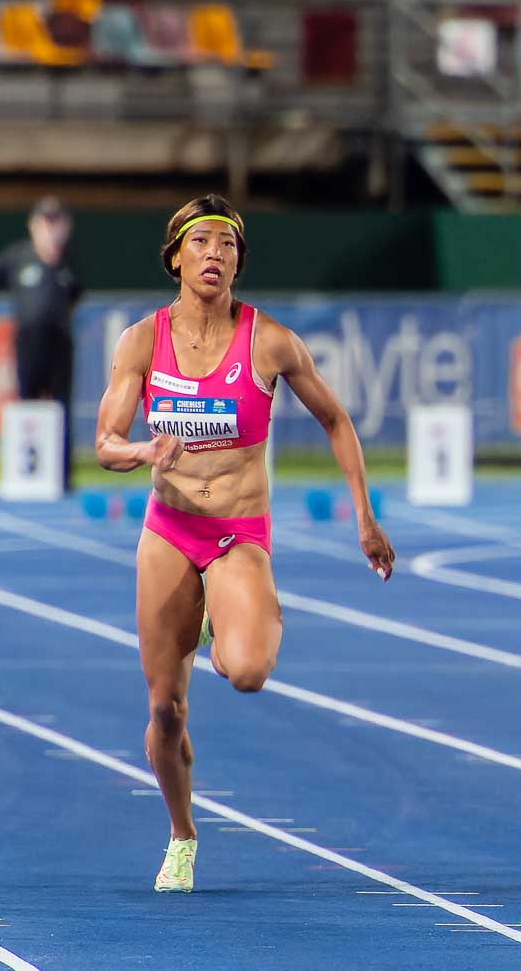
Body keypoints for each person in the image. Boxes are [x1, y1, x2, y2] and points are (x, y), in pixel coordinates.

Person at [94, 195, 395, 893]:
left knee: (250, 670)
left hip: (237, 534)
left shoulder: (270, 341)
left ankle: (223, 615)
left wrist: (365, 516)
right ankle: (181, 835)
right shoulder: (143, 340)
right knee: (166, 711)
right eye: (200, 242)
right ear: (175, 257)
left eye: (227, 245)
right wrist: (144, 451)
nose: (215, 255)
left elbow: (336, 418)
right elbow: (105, 443)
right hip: (170, 532)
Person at [0, 196, 82, 491]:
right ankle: (26, 475)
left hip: (59, 344)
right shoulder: (19, 256)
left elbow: (75, 294)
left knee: (61, 409)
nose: (50, 229)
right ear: (33, 225)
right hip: (28, 344)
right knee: (27, 406)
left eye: (55, 223)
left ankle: (62, 478)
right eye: (44, 223)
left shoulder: (68, 260)